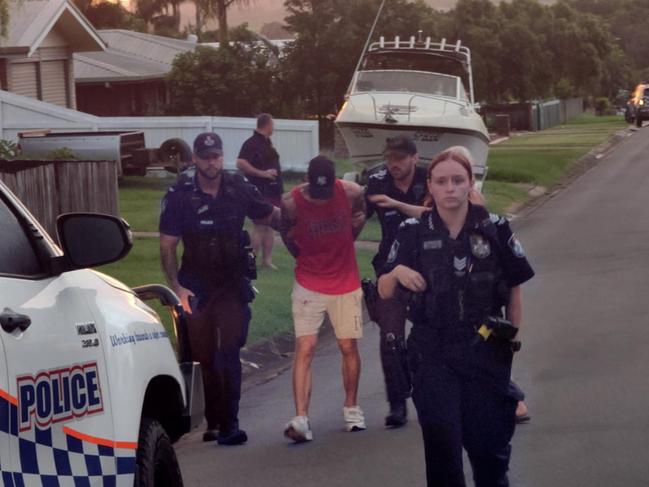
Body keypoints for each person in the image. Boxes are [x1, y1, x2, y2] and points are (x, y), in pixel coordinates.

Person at [377, 146, 534, 486]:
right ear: (430, 187)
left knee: (489, 452)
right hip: (432, 353)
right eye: (442, 181)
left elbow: (515, 287)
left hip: (484, 350)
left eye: (458, 180)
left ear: (470, 184)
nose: (450, 188)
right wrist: (397, 272)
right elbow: (384, 289)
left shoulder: (494, 228)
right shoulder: (412, 231)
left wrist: (513, 339)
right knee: (443, 448)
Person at [159, 132, 280, 446]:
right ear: (195, 159)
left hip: (230, 282)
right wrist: (177, 287)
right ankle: (213, 421)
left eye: (216, 156)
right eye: (205, 156)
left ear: (221, 157)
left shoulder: (237, 186)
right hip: (195, 283)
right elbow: (168, 247)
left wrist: (305, 217)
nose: (212, 162)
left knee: (229, 351)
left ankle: (230, 423)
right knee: (203, 357)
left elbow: (269, 215)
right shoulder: (179, 195)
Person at [279, 155, 367, 443]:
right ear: (307, 180)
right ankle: (301, 418)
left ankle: (352, 409)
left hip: (345, 280)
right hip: (309, 281)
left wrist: (353, 232)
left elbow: (362, 213)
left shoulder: (350, 192)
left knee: (347, 345)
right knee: (305, 347)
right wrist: (302, 256)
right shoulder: (291, 202)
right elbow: (285, 233)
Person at [364, 136, 427, 428]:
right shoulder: (377, 182)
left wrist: (395, 204)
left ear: (415, 158)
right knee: (390, 337)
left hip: (430, 267)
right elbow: (355, 212)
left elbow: (434, 216)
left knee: (445, 332)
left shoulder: (431, 179)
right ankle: (397, 403)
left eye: (401, 158)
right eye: (390, 157)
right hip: (390, 268)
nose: (394, 164)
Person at [236, 113, 283, 269]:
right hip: (261, 191)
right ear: (267, 125)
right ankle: (251, 260)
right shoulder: (252, 142)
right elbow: (241, 163)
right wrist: (262, 174)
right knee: (260, 226)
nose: (274, 127)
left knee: (271, 225)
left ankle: (267, 261)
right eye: (273, 124)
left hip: (273, 190)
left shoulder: (266, 143)